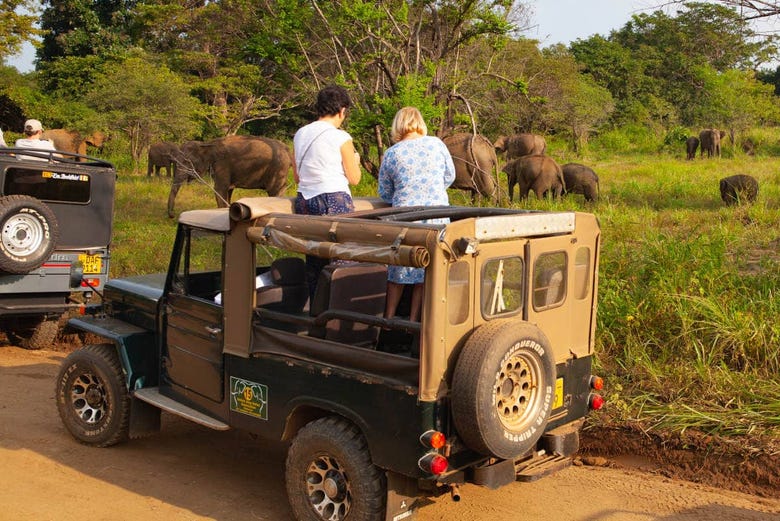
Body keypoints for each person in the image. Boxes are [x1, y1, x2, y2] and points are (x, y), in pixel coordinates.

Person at [378, 107, 455, 322]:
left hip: (405, 217)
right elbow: (450, 176)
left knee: (398, 268)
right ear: (420, 123)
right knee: (426, 268)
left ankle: (388, 321)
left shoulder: (392, 152)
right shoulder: (436, 144)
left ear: (398, 126)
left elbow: (384, 192)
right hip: (437, 216)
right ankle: (414, 322)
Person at [293, 85, 361, 293]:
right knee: (342, 261)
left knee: (314, 262)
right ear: (342, 110)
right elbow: (354, 178)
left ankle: (317, 314)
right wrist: (356, 160)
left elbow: (297, 176)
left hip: (304, 200)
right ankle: (340, 316)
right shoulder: (341, 137)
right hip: (334, 199)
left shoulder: (300, 134)